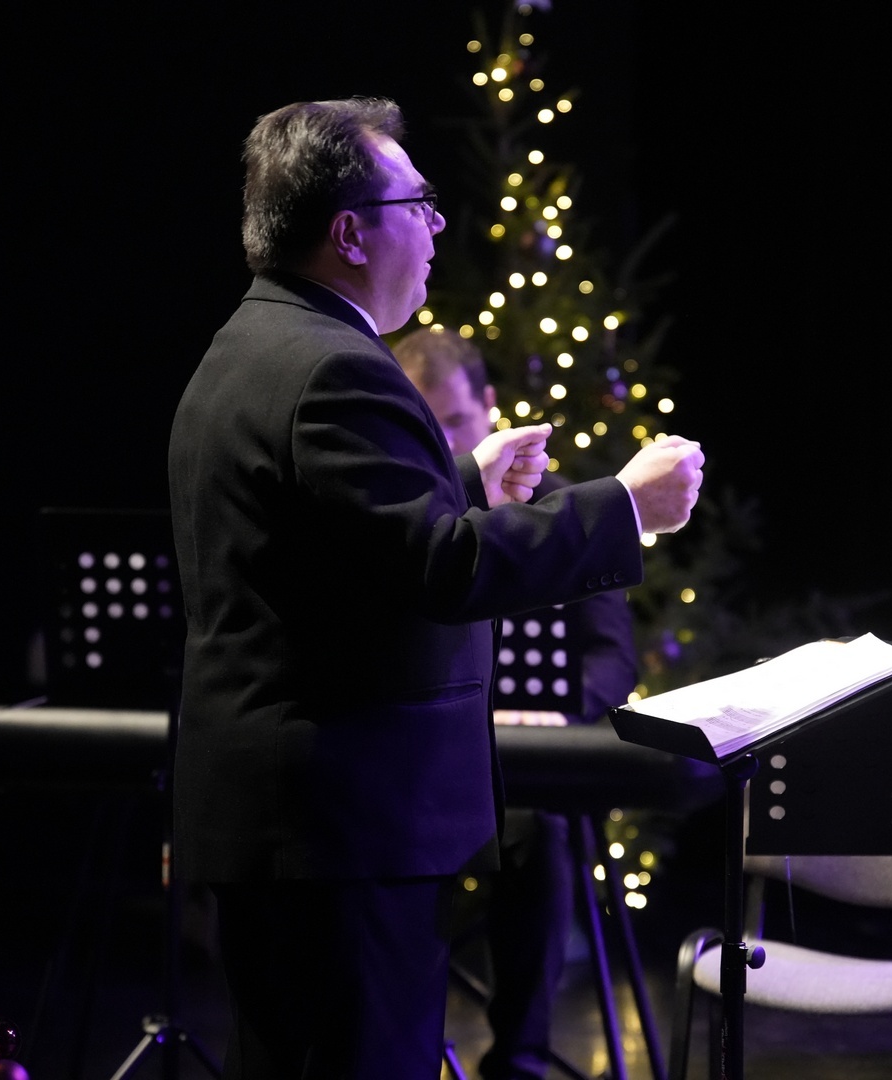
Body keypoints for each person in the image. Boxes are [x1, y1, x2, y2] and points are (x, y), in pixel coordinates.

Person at [166, 97, 704, 1080]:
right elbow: (446, 571)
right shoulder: (339, 370)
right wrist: (628, 506)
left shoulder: (252, 342)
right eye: (417, 203)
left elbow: (334, 546)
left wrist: (462, 482)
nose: (437, 223)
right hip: (338, 834)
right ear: (349, 234)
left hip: (292, 828)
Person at [393, 326, 636, 1080]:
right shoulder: (406, 518)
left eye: (457, 424)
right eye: (428, 426)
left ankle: (520, 1058)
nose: (446, 446)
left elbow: (613, 657)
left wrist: (557, 713)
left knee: (539, 832)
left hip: (521, 765)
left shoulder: (562, 508)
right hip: (422, 765)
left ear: (490, 406)